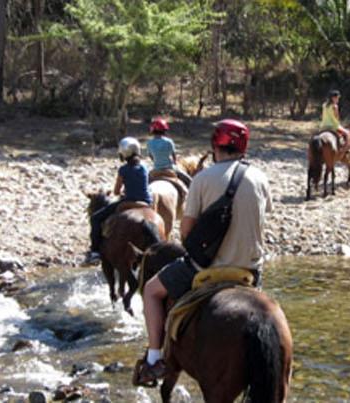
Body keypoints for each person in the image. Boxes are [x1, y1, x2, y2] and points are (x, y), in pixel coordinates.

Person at [133, 119, 274, 386]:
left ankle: (153, 360)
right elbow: (262, 217)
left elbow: (186, 233)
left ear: (215, 144)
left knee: (152, 290)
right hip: (250, 271)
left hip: (206, 269)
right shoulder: (260, 177)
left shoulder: (202, 179)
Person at [83, 137, 153, 266]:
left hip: (129, 202)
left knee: (95, 218)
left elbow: (116, 191)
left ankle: (94, 252)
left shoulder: (123, 169)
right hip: (146, 202)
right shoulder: (144, 167)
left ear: (124, 153)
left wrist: (121, 192)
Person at [145, 118, 191, 187]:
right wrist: (174, 162)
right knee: (189, 180)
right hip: (169, 168)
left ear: (152, 130)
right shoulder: (169, 141)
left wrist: (156, 161)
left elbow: (151, 156)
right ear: (164, 130)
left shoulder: (149, 143)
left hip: (156, 169)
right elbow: (173, 155)